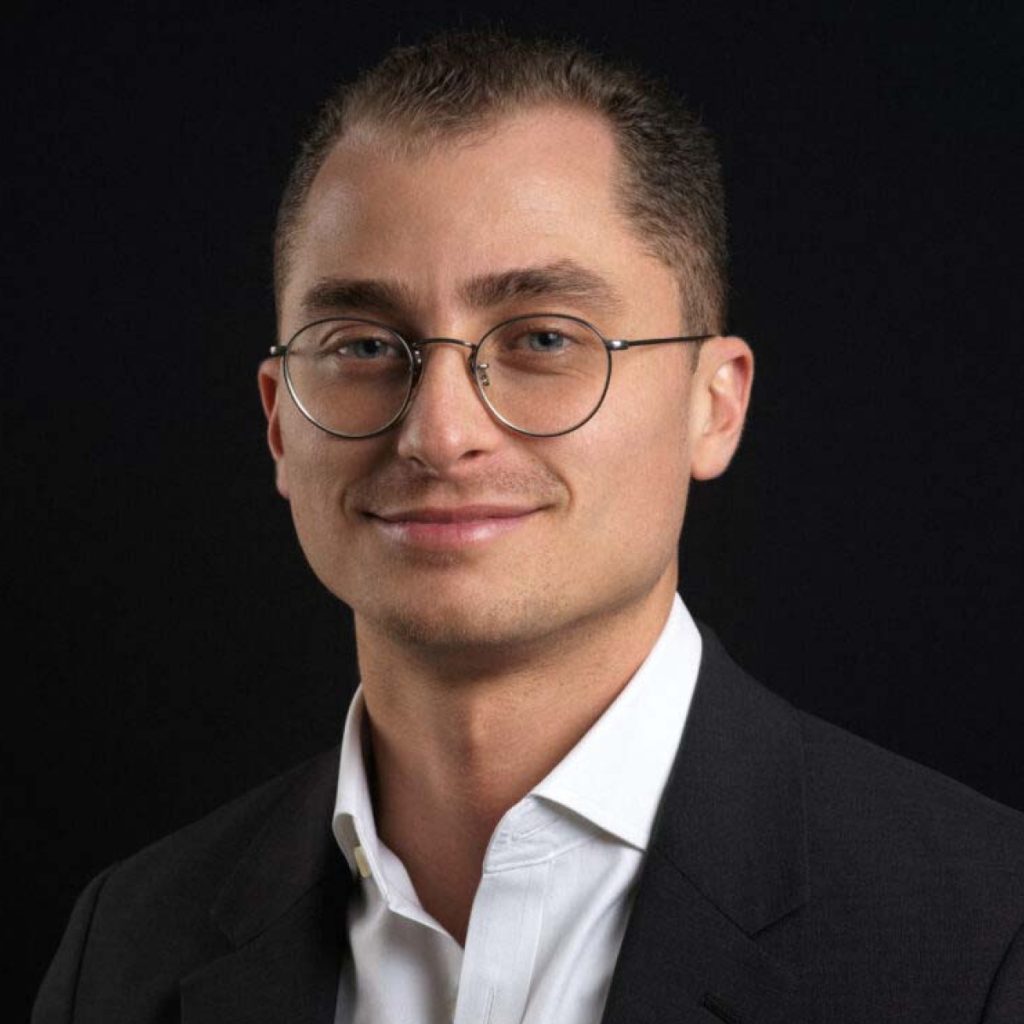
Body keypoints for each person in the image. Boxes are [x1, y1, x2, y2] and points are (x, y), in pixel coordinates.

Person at [33, 29, 1024, 1024]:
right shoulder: (125, 949)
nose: (439, 433)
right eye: (364, 345)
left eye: (544, 337)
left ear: (713, 404)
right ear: (279, 423)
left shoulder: (984, 936)